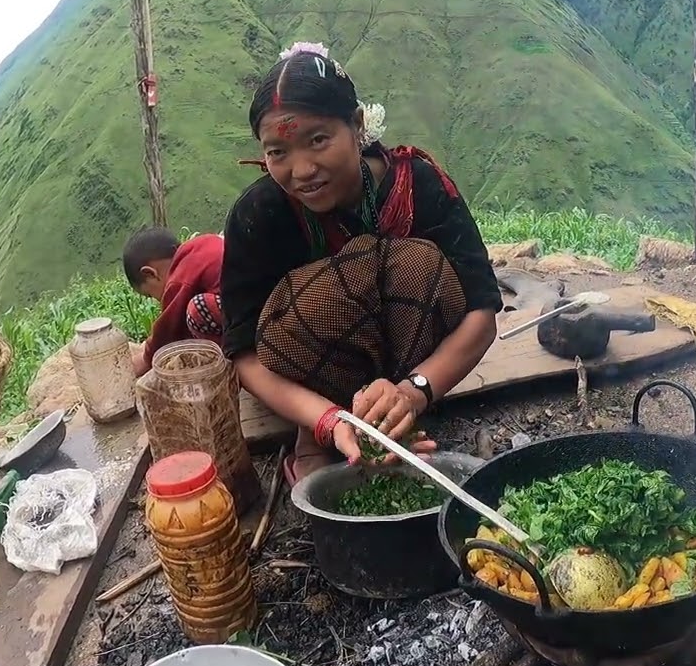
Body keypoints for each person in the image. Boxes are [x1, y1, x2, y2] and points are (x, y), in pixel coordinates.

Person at [211, 41, 503, 485]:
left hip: (411, 367)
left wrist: (414, 392)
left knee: (417, 265)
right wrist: (327, 420)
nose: (302, 169)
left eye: (318, 140)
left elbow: (482, 313)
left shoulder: (416, 186)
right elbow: (245, 354)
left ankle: (392, 413)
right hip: (312, 377)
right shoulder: (261, 214)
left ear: (357, 124)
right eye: (278, 152)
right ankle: (319, 431)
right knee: (306, 301)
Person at [122, 226, 228, 376]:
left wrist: (146, 359)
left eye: (150, 295)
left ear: (150, 274)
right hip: (267, 299)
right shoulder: (201, 244)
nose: (157, 300)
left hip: (255, 315)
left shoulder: (177, 281)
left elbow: (168, 326)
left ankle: (228, 365)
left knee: (198, 309)